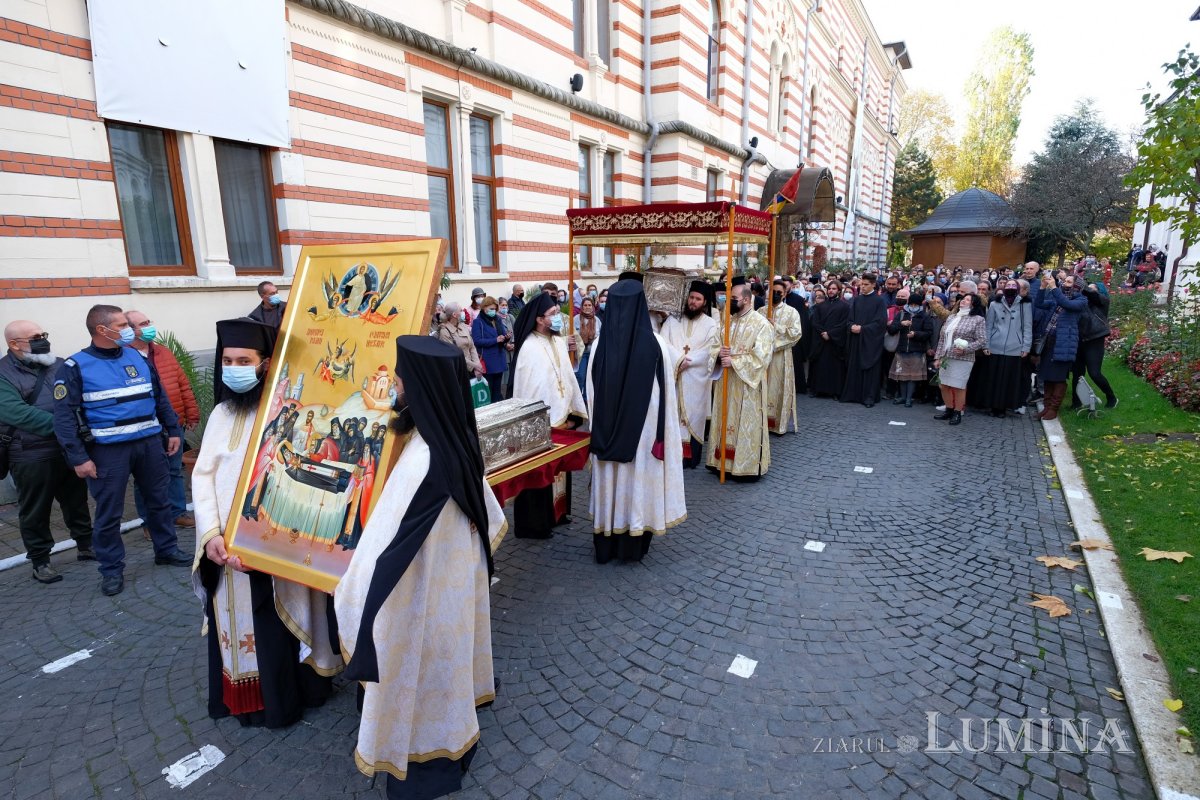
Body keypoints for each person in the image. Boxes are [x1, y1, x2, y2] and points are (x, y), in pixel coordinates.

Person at [337, 335, 505, 800]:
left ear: (423, 389)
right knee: (447, 662)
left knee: (423, 667)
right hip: (448, 583)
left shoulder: (426, 459)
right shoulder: (453, 437)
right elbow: (488, 510)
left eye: (401, 380)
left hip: (422, 592)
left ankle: (428, 750)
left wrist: (350, 593)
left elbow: (385, 551)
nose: (395, 387)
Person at [192, 318, 340, 727]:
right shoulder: (222, 412)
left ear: (265, 363)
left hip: (274, 544)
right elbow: (202, 474)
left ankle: (293, 697)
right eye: (227, 360)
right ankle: (245, 701)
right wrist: (210, 536)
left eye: (244, 359)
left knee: (279, 624)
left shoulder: (287, 412)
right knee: (238, 624)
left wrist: (260, 540)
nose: (234, 367)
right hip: (225, 546)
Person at [53, 305, 191, 596]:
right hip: (107, 452)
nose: (129, 328)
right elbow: (64, 417)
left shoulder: (136, 356)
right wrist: (78, 457)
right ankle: (112, 569)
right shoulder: (75, 367)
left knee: (159, 501)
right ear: (102, 330)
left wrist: (173, 430)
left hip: (149, 443)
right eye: (122, 324)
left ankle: (166, 550)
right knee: (109, 513)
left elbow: (159, 396)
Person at [586, 281, 686, 563]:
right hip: (642, 434)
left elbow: (591, 393)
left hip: (606, 434)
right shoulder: (657, 345)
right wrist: (663, 434)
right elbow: (667, 394)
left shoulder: (598, 346)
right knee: (637, 484)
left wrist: (599, 427)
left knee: (611, 483)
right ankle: (633, 546)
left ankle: (606, 544)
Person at [0, 321, 94, 583]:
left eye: (43, 335)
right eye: (35, 337)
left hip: (66, 449)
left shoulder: (59, 364)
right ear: (14, 344)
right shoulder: (3, 373)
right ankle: (40, 561)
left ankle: (86, 545)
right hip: (30, 454)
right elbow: (17, 413)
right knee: (35, 509)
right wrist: (67, 428)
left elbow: (80, 396)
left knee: (76, 500)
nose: (42, 340)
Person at [509, 292, 586, 538]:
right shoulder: (529, 348)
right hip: (539, 423)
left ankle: (558, 514)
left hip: (562, 418)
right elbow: (529, 388)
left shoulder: (558, 342)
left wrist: (574, 410)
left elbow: (567, 377)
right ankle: (536, 524)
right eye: (553, 315)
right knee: (539, 475)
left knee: (560, 472)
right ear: (539, 319)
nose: (557, 318)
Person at [126, 310, 199, 531]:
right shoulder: (124, 356)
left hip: (173, 423)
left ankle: (177, 512)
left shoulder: (163, 352)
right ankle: (150, 522)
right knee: (145, 477)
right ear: (130, 330)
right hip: (146, 426)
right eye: (142, 324)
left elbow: (182, 383)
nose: (149, 326)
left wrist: (191, 411)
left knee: (174, 470)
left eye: (149, 321)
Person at [707, 280, 773, 481]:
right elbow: (714, 347)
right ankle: (720, 463)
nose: (729, 302)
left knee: (745, 424)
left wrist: (734, 361)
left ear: (746, 299)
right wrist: (719, 355)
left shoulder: (761, 324)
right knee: (723, 421)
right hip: (726, 383)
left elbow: (762, 357)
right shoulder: (728, 322)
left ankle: (746, 466)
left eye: (733, 299)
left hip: (747, 387)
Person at [660, 282, 720, 469]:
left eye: (698, 299)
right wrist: (678, 360)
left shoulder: (710, 324)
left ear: (704, 302)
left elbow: (710, 348)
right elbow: (663, 342)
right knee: (672, 416)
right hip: (675, 376)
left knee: (693, 417)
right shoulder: (672, 321)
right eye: (691, 298)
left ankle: (689, 457)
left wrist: (688, 361)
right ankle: (671, 455)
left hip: (696, 378)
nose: (693, 302)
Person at [1034, 274, 1089, 420]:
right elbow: (1039, 303)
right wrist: (1042, 287)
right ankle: (1046, 408)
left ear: (1077, 286)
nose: (1065, 283)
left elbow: (1067, 304)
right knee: (1046, 375)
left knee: (1058, 377)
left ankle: (1053, 409)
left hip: (1065, 344)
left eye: (1069, 282)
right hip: (1049, 342)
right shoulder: (1056, 297)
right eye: (1065, 281)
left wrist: (1053, 288)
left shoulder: (1081, 300)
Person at [931, 294, 987, 425]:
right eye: (963, 299)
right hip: (946, 356)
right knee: (943, 385)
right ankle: (949, 410)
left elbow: (982, 340)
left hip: (963, 358)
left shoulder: (978, 319)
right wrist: (938, 357)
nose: (963, 301)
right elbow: (942, 339)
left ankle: (957, 412)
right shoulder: (952, 317)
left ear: (973, 304)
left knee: (959, 386)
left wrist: (966, 349)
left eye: (968, 300)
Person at [983, 280, 1032, 417]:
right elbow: (989, 326)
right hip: (995, 345)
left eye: (1013, 286)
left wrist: (1026, 346)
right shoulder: (994, 304)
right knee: (993, 377)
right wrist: (986, 344)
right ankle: (992, 406)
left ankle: (1003, 408)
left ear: (1017, 289)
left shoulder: (1025, 304)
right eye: (1008, 285)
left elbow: (1027, 327)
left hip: (1014, 347)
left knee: (1008, 380)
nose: (1010, 288)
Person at [759, 279, 803, 433]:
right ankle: (761, 422)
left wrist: (775, 327)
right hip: (761, 357)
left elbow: (796, 334)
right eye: (773, 292)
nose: (775, 295)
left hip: (780, 357)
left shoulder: (792, 312)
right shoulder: (761, 311)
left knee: (778, 388)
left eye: (779, 293)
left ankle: (777, 424)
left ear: (784, 294)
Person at [840, 273, 888, 408]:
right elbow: (849, 319)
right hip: (856, 340)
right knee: (854, 366)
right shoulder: (856, 300)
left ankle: (869, 397)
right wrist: (851, 326)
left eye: (866, 285)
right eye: (861, 284)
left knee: (870, 370)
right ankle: (852, 395)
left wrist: (863, 329)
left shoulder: (879, 301)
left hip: (870, 342)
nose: (863, 287)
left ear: (873, 285)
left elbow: (880, 323)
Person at [1070, 283, 1118, 409]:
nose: (1089, 290)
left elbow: (1092, 294)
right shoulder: (1080, 302)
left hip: (1094, 340)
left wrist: (1080, 284)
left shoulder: (1102, 302)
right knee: (1077, 373)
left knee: (1094, 373)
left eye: (1093, 288)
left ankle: (1111, 396)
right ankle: (1076, 402)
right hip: (1079, 340)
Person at [886, 290, 934, 408]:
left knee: (912, 377)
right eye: (911, 304)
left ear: (919, 305)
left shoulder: (924, 316)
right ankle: (902, 397)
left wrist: (915, 334)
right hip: (902, 349)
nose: (913, 307)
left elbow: (928, 333)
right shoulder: (902, 314)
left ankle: (909, 398)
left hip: (917, 350)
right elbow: (891, 330)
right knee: (902, 376)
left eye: (915, 305)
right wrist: (901, 324)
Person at [808, 280, 849, 398]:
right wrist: (823, 333)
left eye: (834, 289)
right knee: (819, 366)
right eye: (830, 289)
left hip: (835, 342)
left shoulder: (845, 306)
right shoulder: (820, 306)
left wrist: (830, 334)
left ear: (839, 291)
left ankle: (835, 392)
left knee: (834, 368)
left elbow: (844, 324)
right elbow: (815, 322)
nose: (831, 291)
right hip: (821, 341)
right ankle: (817, 390)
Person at [470, 296, 509, 404]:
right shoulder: (478, 322)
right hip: (488, 360)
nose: (493, 311)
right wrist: (495, 340)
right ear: (484, 307)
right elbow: (476, 341)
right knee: (489, 390)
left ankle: (499, 412)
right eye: (491, 309)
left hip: (499, 358)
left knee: (498, 390)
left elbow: (501, 336)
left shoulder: (498, 319)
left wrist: (506, 338)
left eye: (495, 309)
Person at [434, 302, 483, 380]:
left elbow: (472, 347)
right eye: (460, 310)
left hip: (472, 369)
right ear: (454, 315)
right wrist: (474, 366)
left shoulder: (463, 326)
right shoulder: (444, 331)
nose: (463, 312)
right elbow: (454, 355)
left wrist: (477, 365)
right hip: (458, 371)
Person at [573, 296, 602, 399]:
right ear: (581, 306)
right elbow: (572, 335)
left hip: (593, 353)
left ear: (593, 307)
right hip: (580, 353)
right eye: (585, 305)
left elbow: (601, 337)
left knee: (590, 376)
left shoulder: (597, 320)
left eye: (589, 305)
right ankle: (578, 399)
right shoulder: (576, 319)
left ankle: (586, 398)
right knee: (580, 376)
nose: (587, 307)